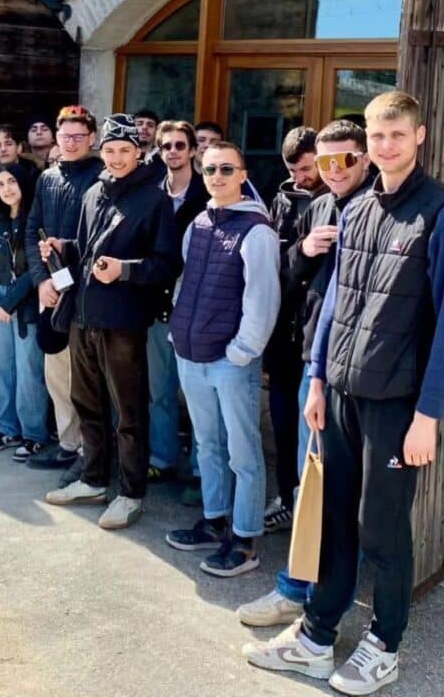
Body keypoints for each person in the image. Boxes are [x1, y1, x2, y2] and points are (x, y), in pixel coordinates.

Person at [244, 91, 444, 695]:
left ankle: (385, 643)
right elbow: (336, 304)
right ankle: (318, 636)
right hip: (341, 394)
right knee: (333, 522)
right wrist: (317, 377)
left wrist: (428, 414)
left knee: (382, 529)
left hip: (398, 404)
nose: (386, 146)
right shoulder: (354, 211)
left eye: (397, 135)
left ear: (420, 136)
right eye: (377, 136)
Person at [238, 119, 372, 627]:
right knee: (311, 478)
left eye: (344, 160)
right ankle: (302, 590)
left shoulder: (378, 210)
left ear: (365, 159)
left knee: (334, 489)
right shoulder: (314, 207)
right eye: (325, 163)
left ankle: (312, 597)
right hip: (313, 363)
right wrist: (303, 250)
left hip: (354, 370)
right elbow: (289, 278)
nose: (333, 171)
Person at [43, 113, 179, 530]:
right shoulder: (93, 193)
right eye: (110, 150)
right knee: (88, 404)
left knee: (129, 412)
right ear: (101, 152)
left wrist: (124, 270)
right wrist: (61, 247)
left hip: (123, 321)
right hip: (85, 316)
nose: (117, 158)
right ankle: (93, 478)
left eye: (125, 151)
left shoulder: (154, 200)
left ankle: (131, 492)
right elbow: (84, 249)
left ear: (139, 153)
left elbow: (166, 265)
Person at [166, 141, 280, 576]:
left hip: (230, 361)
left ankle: (246, 538)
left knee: (243, 452)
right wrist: (178, 335)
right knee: (207, 444)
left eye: (226, 169)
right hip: (191, 354)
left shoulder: (257, 231)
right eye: (210, 169)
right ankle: (214, 522)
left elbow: (262, 301)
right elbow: (185, 282)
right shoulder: (197, 222)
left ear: (242, 173)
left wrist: (241, 352)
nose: (216, 177)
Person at [23, 104, 103, 473]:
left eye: (78, 136)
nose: (71, 142)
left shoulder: (103, 177)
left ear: (92, 138)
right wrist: (41, 280)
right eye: (65, 136)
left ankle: (92, 452)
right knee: (56, 374)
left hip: (87, 294)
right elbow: (31, 231)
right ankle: (69, 444)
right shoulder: (47, 178)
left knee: (86, 379)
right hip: (52, 290)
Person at [264, 126, 328, 532]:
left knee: (313, 431)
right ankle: (287, 495)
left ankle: (311, 510)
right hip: (283, 328)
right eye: (294, 170)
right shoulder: (283, 198)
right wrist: (298, 252)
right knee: (282, 423)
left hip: (316, 333)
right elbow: (275, 261)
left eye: (307, 169)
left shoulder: (340, 200)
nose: (301, 177)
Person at [146, 120, 207, 483]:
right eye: (165, 145)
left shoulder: (207, 193)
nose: (172, 151)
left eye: (180, 145)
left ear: (192, 150)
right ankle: (163, 456)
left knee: (198, 399)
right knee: (160, 392)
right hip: (157, 306)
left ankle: (201, 470)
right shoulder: (152, 195)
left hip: (196, 309)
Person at [0, 162, 49, 459]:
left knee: (28, 369)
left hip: (26, 304)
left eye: (12, 182)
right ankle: (7, 428)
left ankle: (33, 434)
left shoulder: (36, 220)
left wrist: (8, 304)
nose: (7, 189)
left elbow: (37, 268)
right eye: (1, 184)